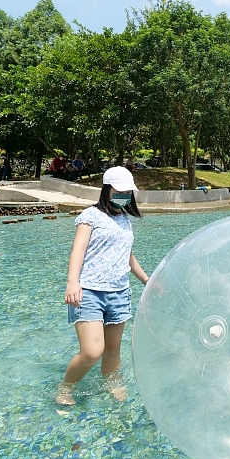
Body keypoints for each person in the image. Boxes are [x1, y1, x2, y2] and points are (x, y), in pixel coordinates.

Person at [58, 166, 149, 406]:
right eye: (121, 191)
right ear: (107, 189)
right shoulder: (90, 216)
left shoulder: (125, 221)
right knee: (92, 351)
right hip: (89, 291)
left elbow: (128, 256)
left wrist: (147, 280)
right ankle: (66, 387)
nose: (125, 196)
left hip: (119, 292)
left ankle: (111, 381)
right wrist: (72, 282)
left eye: (128, 192)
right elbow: (78, 250)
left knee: (113, 349)